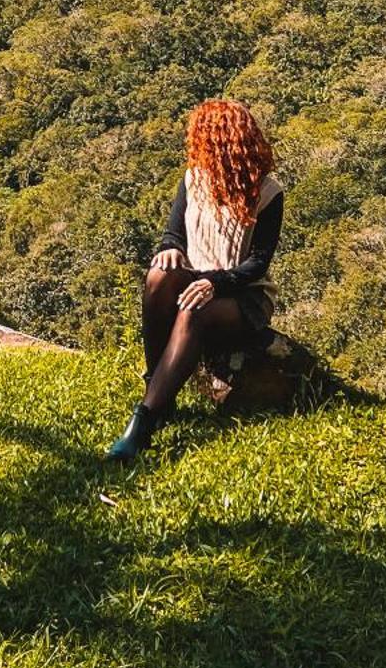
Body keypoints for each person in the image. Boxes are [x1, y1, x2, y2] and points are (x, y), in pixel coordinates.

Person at [105, 97, 284, 462]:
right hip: (196, 279)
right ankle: (157, 384)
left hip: (242, 295)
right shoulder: (193, 179)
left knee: (193, 312)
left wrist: (215, 283)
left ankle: (145, 420)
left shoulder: (268, 192)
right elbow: (173, 236)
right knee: (159, 274)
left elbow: (258, 263)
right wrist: (169, 250)